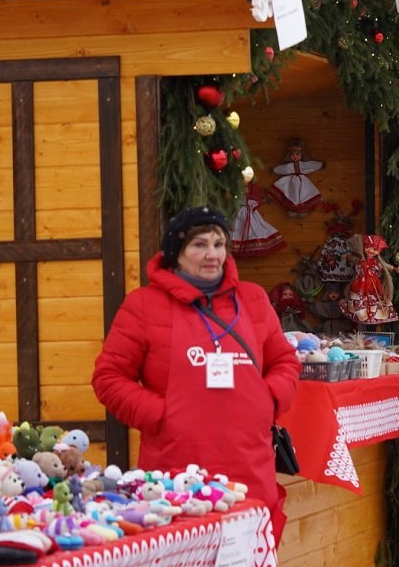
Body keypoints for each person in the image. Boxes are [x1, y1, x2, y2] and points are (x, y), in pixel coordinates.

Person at [92, 206, 301, 543]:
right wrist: (161, 415)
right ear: (176, 254)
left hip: (249, 463)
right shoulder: (143, 305)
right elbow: (109, 377)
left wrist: (268, 400)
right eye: (199, 245)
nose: (212, 255)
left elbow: (285, 362)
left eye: (219, 245)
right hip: (176, 470)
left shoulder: (253, 299)